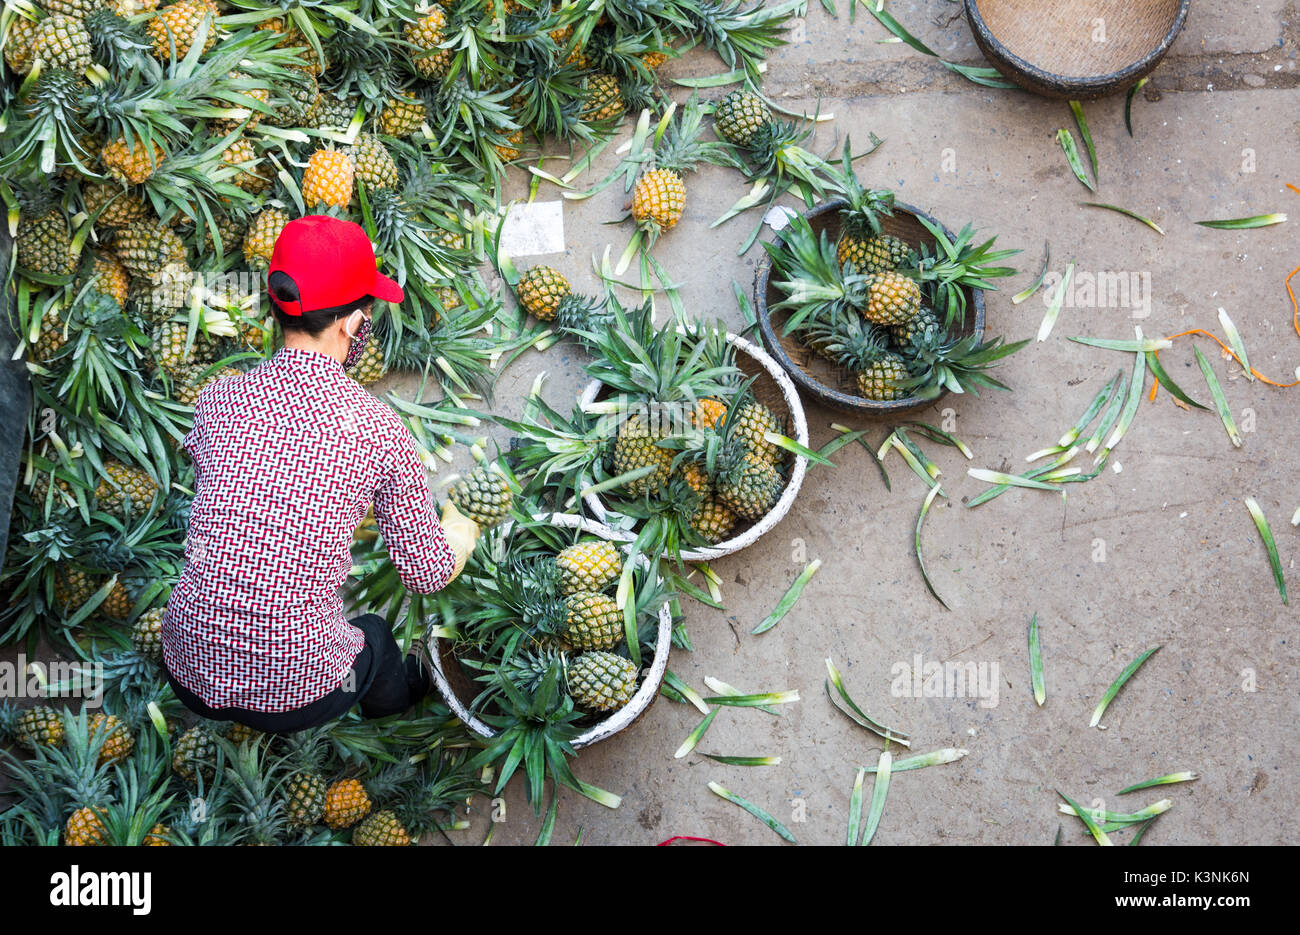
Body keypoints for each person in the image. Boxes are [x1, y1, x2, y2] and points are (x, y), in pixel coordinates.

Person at [160, 215, 481, 733]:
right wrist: (459, 537)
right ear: (352, 324)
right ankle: (392, 702)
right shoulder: (378, 428)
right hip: (302, 694)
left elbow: (226, 475)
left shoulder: (218, 397)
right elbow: (425, 575)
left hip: (183, 668)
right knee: (374, 633)